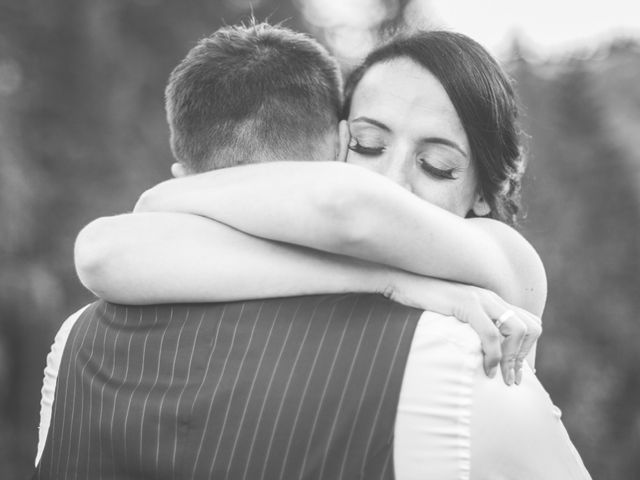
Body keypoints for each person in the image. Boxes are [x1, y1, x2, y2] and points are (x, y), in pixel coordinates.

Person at [36, 25, 590, 480]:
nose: (391, 184)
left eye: (437, 166)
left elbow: (348, 208)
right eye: (368, 146)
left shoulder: (505, 259)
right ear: (332, 141)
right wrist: (390, 281)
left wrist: (170, 197)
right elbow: (102, 254)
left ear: (486, 196)